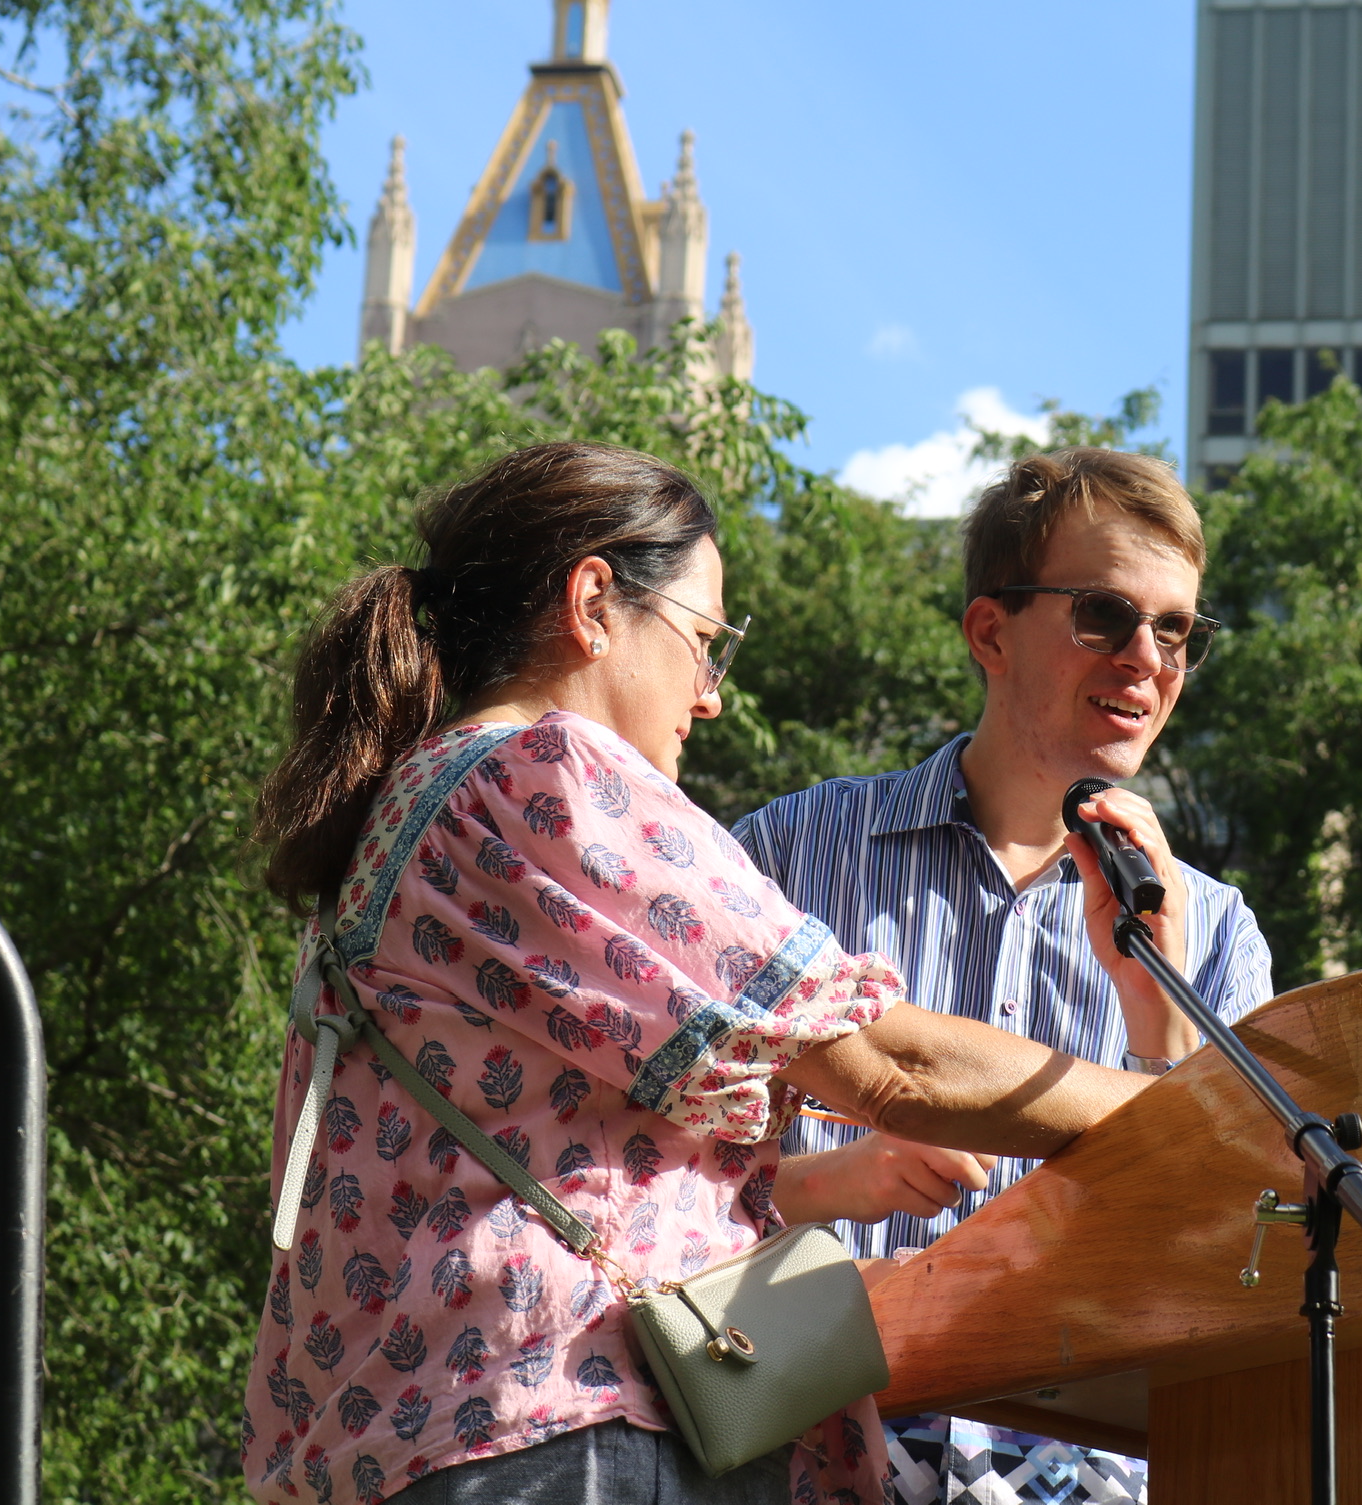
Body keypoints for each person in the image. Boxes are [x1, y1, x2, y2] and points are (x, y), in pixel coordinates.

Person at [242, 442, 1155, 1505]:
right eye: (704, 642)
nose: (710, 697)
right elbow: (883, 1061)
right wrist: (1192, 1113)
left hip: (420, 1439)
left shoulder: (403, 818)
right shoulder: (545, 773)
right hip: (568, 1429)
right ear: (593, 604)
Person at [735, 446, 1275, 1503]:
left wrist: (1157, 1011)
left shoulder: (1216, 931)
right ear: (990, 631)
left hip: (1092, 1469)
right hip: (808, 1442)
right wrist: (829, 1185)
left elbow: (1236, 1254)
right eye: (1106, 616)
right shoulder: (788, 853)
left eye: (1177, 631)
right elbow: (651, 1184)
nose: (1147, 658)